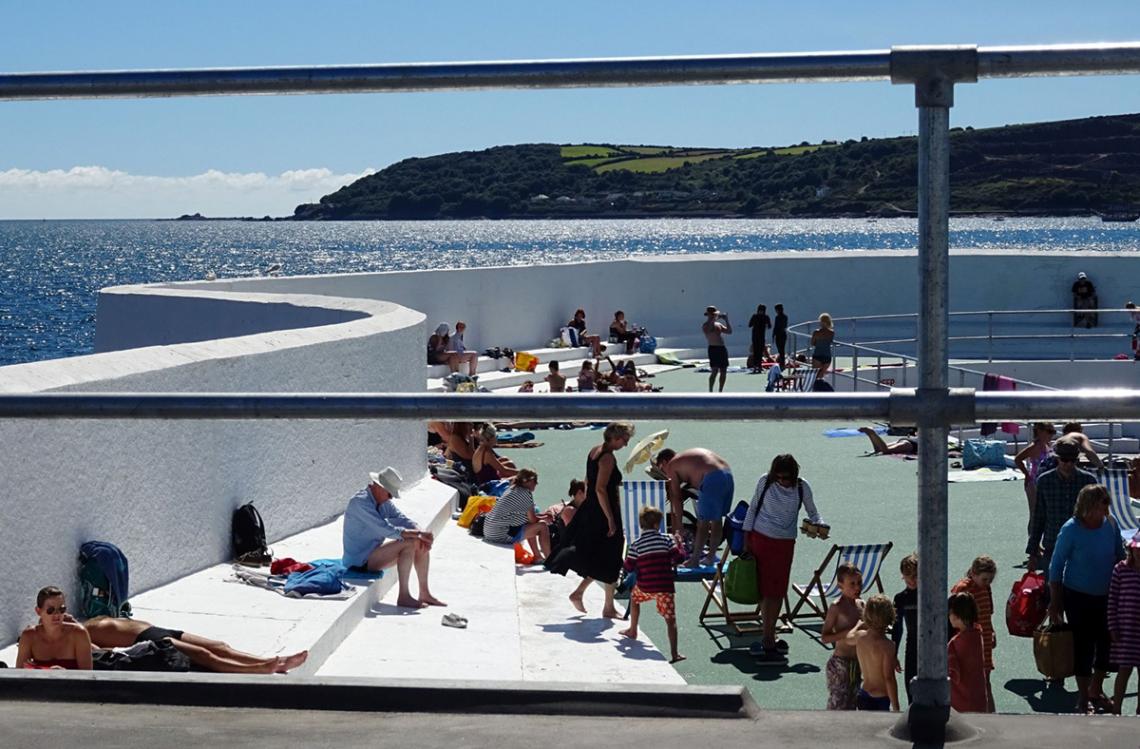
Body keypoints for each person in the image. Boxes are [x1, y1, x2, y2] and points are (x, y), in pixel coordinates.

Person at [1048, 484, 1125, 714]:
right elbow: (1056, 566)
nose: (1106, 509)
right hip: (1077, 597)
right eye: (1102, 505)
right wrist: (1055, 601)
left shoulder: (1111, 525)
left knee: (1107, 646)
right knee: (1083, 646)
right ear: (1089, 506)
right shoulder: (1071, 529)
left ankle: (1096, 689)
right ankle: (1083, 698)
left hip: (1107, 597)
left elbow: (1120, 557)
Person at [545, 421, 635, 619]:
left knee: (603, 556)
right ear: (615, 438)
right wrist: (610, 518)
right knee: (610, 556)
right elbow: (600, 489)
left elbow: (588, 482)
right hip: (604, 512)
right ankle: (605, 606)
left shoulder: (594, 451)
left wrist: (590, 505)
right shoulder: (608, 458)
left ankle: (586, 596)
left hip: (593, 509)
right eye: (624, 440)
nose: (625, 445)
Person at [742, 454, 824, 663]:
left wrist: (819, 525)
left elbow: (813, 512)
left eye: (786, 477)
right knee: (763, 589)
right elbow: (752, 509)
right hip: (760, 538)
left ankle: (769, 634)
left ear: (794, 475)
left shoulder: (802, 487)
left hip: (784, 544)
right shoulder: (765, 481)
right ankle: (768, 636)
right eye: (778, 476)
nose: (782, 481)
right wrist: (745, 540)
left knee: (777, 591)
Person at [341, 467, 445, 609]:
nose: (390, 498)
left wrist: (421, 531)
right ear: (378, 486)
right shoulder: (360, 503)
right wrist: (418, 534)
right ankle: (404, 596)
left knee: (418, 542)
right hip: (358, 562)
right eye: (390, 494)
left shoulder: (382, 501)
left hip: (372, 555)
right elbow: (387, 530)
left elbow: (400, 518)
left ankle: (424, 592)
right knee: (410, 542)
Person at [84, 616, 308, 674]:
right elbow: (96, 652)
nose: (63, 615)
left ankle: (275, 662)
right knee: (204, 656)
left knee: (220, 646)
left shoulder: (83, 625)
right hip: (147, 640)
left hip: (156, 629)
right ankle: (256, 669)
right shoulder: (78, 635)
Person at [618, 505, 686, 664]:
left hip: (646, 586)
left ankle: (633, 629)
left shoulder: (636, 545)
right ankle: (675, 653)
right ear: (656, 525)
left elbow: (628, 567)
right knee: (671, 620)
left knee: (635, 599)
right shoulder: (667, 540)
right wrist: (680, 544)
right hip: (665, 587)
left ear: (642, 524)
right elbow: (680, 559)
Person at [653, 447, 734, 567]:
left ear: (665, 462)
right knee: (717, 521)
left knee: (703, 523)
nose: (665, 474)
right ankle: (711, 557)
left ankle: (694, 560)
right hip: (727, 474)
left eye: (661, 469)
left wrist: (679, 524)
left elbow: (677, 497)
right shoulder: (685, 459)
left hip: (711, 477)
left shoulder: (671, 465)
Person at [1028, 439, 1098, 571]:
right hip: (1052, 544)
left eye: (1073, 460)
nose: (1069, 464)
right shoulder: (1044, 481)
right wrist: (1033, 553)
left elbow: (1096, 515)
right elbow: (1039, 517)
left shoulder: (1089, 481)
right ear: (1057, 459)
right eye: (1065, 460)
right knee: (1051, 587)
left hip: (1082, 545)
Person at [950, 555, 998, 712]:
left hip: (982, 639)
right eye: (985, 579)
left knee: (985, 680)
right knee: (969, 681)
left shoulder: (986, 589)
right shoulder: (963, 589)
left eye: (990, 580)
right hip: (968, 642)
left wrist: (992, 632)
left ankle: (989, 713)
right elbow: (953, 613)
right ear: (974, 574)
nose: (987, 583)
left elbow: (988, 612)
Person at [15, 586, 93, 670]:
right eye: (50, 610)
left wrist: (66, 674)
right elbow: (20, 674)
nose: (57, 614)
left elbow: (87, 677)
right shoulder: (29, 636)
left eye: (62, 609)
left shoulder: (78, 634)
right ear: (38, 611)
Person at [483, 468, 550, 562]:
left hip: (489, 532)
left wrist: (542, 516)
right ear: (529, 481)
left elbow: (529, 518)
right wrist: (546, 519)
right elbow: (533, 520)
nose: (536, 483)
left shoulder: (512, 488)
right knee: (542, 526)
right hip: (500, 535)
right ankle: (549, 560)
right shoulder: (526, 493)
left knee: (531, 525)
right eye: (535, 481)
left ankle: (538, 557)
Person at [822, 562, 864, 710]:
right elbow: (825, 637)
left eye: (859, 582)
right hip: (840, 663)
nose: (857, 587)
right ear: (840, 586)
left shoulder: (862, 605)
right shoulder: (836, 607)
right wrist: (845, 634)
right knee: (838, 703)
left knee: (854, 702)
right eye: (852, 584)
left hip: (857, 662)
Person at [847, 594, 900, 712]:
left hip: (864, 693)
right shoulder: (888, 646)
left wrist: (859, 625)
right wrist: (896, 706)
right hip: (880, 697)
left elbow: (848, 638)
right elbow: (889, 678)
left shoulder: (860, 637)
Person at [1109, 531, 1140, 715]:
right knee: (1124, 670)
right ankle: (1116, 708)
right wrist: (1113, 626)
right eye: (1136, 550)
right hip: (1125, 630)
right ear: (1130, 549)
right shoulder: (1120, 569)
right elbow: (1112, 600)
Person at [947, 592, 989, 714]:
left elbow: (953, 674)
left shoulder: (955, 643)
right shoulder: (977, 635)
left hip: (959, 703)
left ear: (956, 615)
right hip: (978, 699)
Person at [1015, 422, 1057, 534]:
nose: (1052, 435)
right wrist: (1026, 474)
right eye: (1049, 432)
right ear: (1039, 431)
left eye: (1053, 432)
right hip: (1033, 482)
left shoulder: (1047, 445)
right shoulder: (1034, 446)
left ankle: (1038, 542)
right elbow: (1018, 459)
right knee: (1034, 514)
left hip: (1045, 482)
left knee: (1045, 513)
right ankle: (1033, 544)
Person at [892, 553, 919, 704]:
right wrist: (893, 653)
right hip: (912, 646)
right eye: (907, 575)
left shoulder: (929, 594)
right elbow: (897, 628)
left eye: (915, 575)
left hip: (931, 645)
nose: (912, 580)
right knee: (911, 687)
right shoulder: (900, 598)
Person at [702, 305, 733, 393]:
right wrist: (714, 318)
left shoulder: (718, 324)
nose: (713, 315)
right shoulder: (705, 325)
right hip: (713, 349)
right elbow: (709, 330)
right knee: (714, 371)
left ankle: (720, 391)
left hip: (722, 349)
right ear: (708, 315)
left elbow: (729, 331)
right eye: (711, 314)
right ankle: (711, 390)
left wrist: (726, 320)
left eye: (714, 314)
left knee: (723, 370)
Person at [810, 313, 835, 377]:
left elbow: (812, 343)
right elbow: (829, 342)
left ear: (821, 321)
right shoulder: (831, 333)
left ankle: (816, 386)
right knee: (821, 375)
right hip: (827, 356)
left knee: (815, 376)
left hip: (818, 355)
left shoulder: (816, 332)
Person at [748, 304, 772, 371]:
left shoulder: (765, 317)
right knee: (756, 351)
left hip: (761, 336)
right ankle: (756, 366)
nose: (761, 312)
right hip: (756, 336)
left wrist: (766, 324)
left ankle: (759, 365)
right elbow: (750, 324)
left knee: (760, 351)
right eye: (760, 310)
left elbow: (769, 326)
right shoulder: (756, 316)